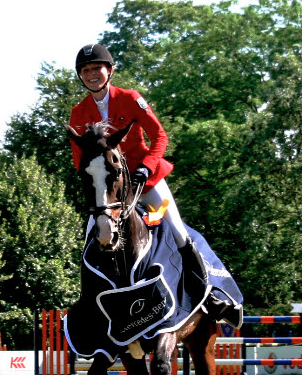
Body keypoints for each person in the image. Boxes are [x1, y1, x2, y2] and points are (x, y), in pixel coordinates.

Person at [69, 43, 239, 324]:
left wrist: (147, 168)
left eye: (96, 68)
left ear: (109, 71)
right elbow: (80, 159)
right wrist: (100, 185)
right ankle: (90, 304)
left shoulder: (130, 98)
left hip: (146, 183)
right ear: (81, 76)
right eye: (85, 70)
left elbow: (160, 136)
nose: (91, 74)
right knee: (90, 240)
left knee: (177, 230)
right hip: (111, 194)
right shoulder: (79, 113)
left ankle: (209, 294)